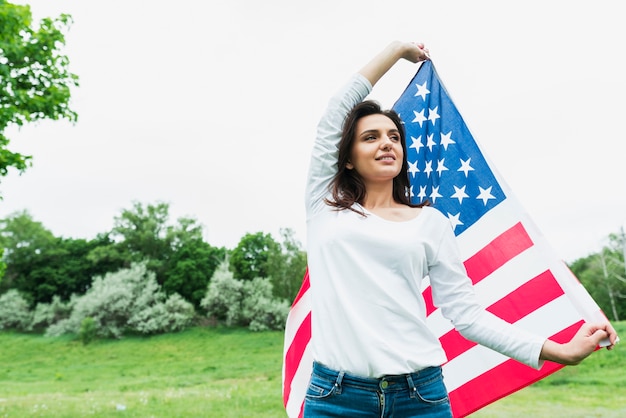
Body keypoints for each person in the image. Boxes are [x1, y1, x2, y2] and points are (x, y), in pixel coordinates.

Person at [303, 40, 618, 418]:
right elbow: (336, 111)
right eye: (371, 137)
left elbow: (467, 316)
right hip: (336, 399)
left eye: (394, 137)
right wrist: (396, 50)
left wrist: (558, 350)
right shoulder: (325, 206)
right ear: (348, 159)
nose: (387, 143)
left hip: (418, 398)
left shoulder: (430, 223)